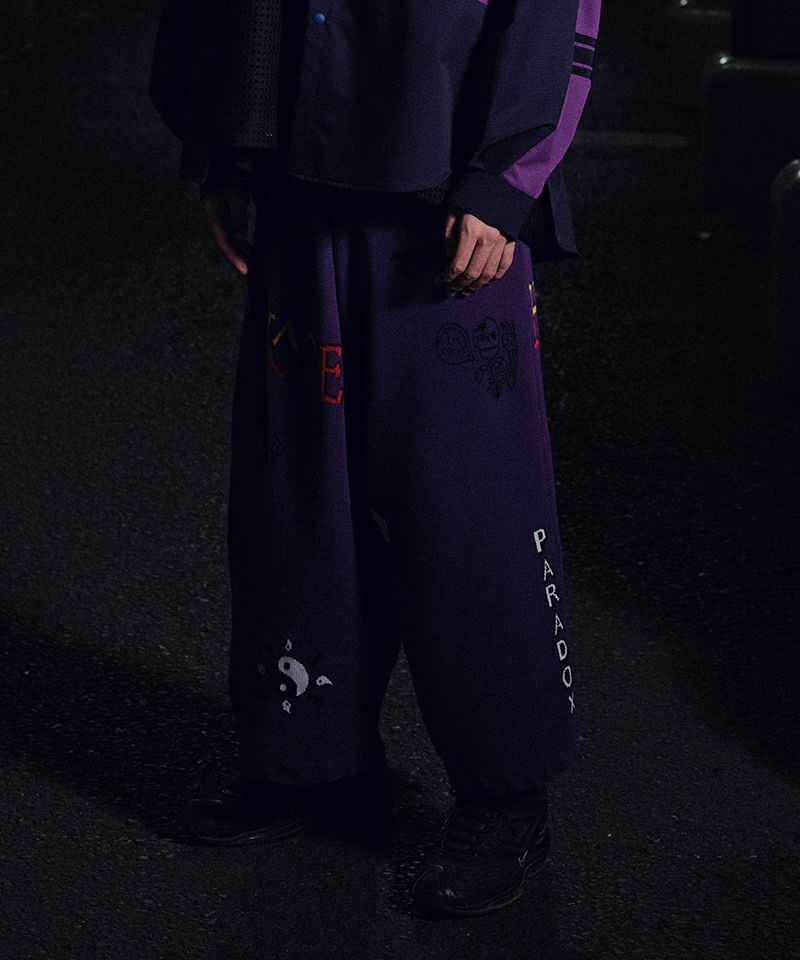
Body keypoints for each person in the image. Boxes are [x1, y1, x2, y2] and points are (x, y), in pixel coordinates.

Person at [149, 0, 601, 918]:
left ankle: (505, 793)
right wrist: (223, 146)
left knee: (468, 501)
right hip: (294, 163)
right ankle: (315, 763)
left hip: (442, 183)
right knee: (295, 488)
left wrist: (504, 180)